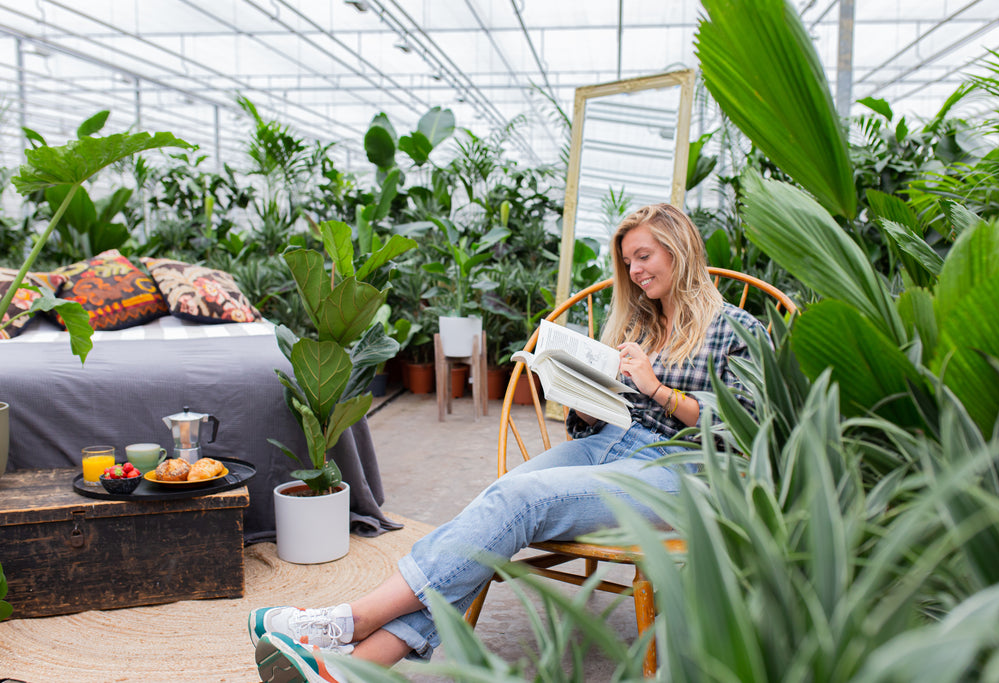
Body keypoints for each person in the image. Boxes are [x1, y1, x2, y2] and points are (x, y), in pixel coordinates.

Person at [248, 203, 768, 682]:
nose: (634, 272)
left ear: (679, 249)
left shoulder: (736, 327)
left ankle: (346, 622)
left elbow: (743, 425)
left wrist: (657, 388)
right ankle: (355, 670)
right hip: (613, 441)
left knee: (523, 502)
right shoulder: (641, 323)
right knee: (489, 512)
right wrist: (584, 400)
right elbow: (612, 411)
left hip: (682, 469)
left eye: (643, 256)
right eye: (627, 261)